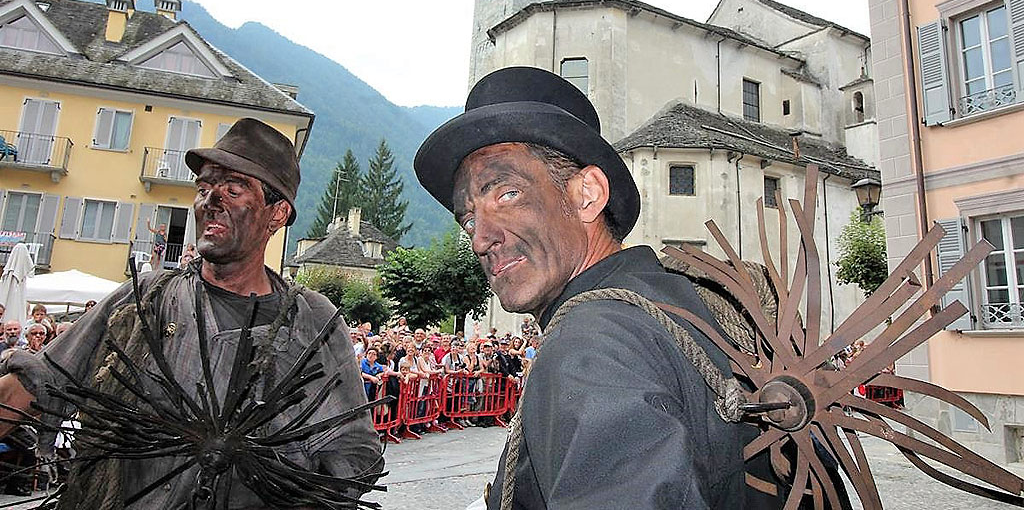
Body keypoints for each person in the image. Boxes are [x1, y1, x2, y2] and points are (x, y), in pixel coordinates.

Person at [415, 66, 780, 509]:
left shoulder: (594, 341)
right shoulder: (679, 303)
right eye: (468, 217)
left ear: (587, 194)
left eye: (506, 194)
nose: (480, 238)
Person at [0, 117, 381, 508]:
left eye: (233, 189)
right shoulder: (148, 298)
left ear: (277, 213)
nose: (209, 201)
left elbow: (352, 447)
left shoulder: (311, 320)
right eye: (203, 188)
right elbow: (39, 378)